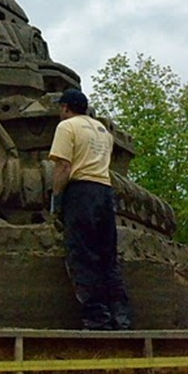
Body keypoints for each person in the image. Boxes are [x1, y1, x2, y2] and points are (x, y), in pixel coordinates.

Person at [49, 88, 132, 330]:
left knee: (83, 255)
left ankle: (97, 318)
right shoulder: (102, 130)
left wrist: (57, 198)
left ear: (65, 107)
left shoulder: (67, 127)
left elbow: (63, 166)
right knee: (108, 256)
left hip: (81, 192)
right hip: (105, 192)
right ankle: (121, 317)